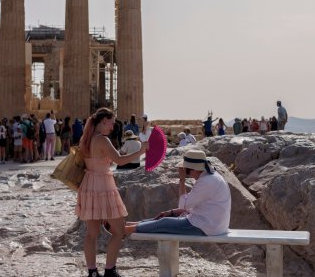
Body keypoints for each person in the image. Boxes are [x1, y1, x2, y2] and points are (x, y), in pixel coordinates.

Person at [75, 107, 147, 277]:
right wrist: (141, 151)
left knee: (91, 234)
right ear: (104, 121)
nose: (113, 127)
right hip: (103, 186)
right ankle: (109, 270)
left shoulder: (86, 139)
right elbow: (120, 161)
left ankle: (92, 272)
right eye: (112, 123)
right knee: (119, 230)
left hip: (88, 185)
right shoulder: (102, 139)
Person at [124, 150, 231, 237]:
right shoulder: (211, 177)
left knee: (164, 223)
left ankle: (124, 230)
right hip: (214, 224)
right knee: (164, 218)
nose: (186, 173)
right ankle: (130, 225)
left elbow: (183, 205)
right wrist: (171, 212)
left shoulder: (206, 182)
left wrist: (182, 180)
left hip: (207, 227)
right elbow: (190, 205)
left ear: (195, 169)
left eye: (187, 171)